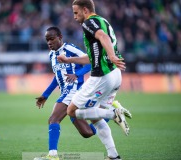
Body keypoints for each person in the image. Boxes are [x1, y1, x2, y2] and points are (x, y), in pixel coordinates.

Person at [34, 26, 131, 160]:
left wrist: (76, 74)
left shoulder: (70, 49)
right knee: (87, 132)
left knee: (53, 119)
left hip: (73, 90)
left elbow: (91, 61)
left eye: (51, 39)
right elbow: (58, 76)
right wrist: (45, 95)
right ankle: (112, 112)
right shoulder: (52, 55)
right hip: (67, 92)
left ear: (60, 37)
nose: (49, 42)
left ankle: (52, 156)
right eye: (47, 40)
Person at [57, 0, 130, 159]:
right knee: (95, 117)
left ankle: (113, 114)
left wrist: (111, 55)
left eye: (76, 13)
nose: (75, 17)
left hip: (102, 77)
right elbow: (91, 58)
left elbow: (103, 37)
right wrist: (69, 60)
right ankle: (113, 155)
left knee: (72, 111)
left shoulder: (89, 23)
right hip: (115, 74)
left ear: (85, 10)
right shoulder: (103, 21)